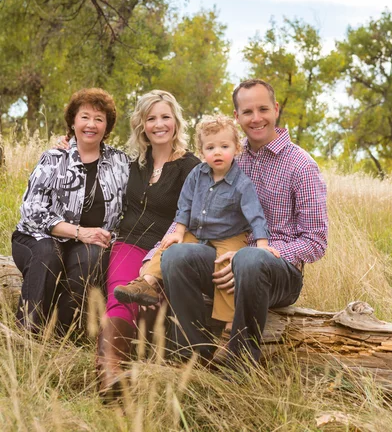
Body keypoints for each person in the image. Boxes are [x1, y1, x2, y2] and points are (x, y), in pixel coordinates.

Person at [159, 79, 328, 365]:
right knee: (176, 256)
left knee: (249, 260)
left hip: (277, 272)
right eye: (247, 111)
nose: (256, 118)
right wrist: (157, 254)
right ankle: (192, 356)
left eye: (263, 109)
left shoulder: (301, 165)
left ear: (275, 109)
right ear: (237, 117)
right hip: (222, 258)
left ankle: (238, 362)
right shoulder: (228, 155)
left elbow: (316, 242)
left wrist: (255, 256)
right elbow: (193, 211)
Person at [114, 115, 277, 330]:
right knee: (168, 246)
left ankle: (227, 320)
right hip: (198, 231)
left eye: (224, 146)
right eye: (210, 148)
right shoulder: (196, 174)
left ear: (236, 148)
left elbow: (256, 216)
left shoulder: (242, 183)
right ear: (202, 152)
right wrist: (178, 232)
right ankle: (147, 283)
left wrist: (263, 246)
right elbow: (185, 204)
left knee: (225, 267)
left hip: (230, 235)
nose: (217, 152)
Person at [97, 90, 199, 397]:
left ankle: (136, 371)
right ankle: (110, 374)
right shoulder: (131, 163)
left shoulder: (191, 167)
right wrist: (67, 143)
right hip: (127, 242)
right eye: (151, 118)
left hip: (163, 251)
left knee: (150, 305)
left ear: (176, 122)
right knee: (120, 294)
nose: (159, 124)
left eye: (165, 117)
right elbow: (91, 155)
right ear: (142, 124)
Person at [12, 88, 130, 335]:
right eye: (85, 117)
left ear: (107, 127)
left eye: (99, 119)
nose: (91, 124)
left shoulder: (120, 162)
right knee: (48, 254)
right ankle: (27, 335)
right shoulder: (54, 157)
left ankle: (60, 336)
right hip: (38, 238)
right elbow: (32, 211)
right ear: (73, 121)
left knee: (92, 257)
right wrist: (79, 232)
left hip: (90, 244)